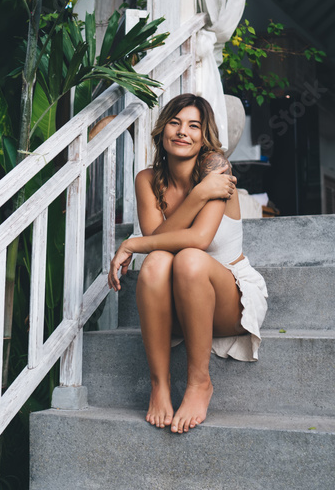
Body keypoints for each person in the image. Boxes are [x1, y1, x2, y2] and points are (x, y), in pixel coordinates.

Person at [107, 93, 269, 434]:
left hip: (228, 295)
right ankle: (159, 385)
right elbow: (159, 238)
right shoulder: (147, 180)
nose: (183, 132)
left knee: (190, 260)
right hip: (179, 305)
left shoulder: (216, 167)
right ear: (162, 130)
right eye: (175, 123)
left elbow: (197, 239)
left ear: (204, 134)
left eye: (194, 125)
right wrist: (198, 195)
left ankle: (199, 383)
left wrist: (132, 244)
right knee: (155, 264)